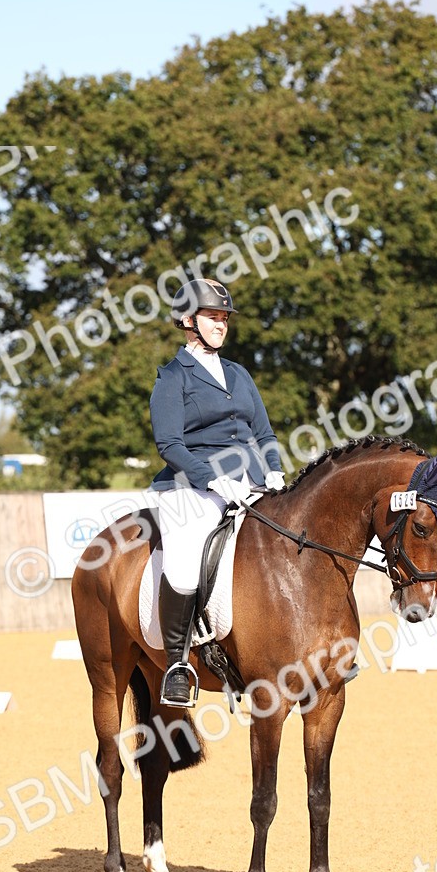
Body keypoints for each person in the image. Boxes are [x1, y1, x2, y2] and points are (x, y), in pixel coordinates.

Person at [149, 278, 285, 707]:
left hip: (250, 481)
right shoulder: (172, 377)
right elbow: (169, 444)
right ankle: (177, 664)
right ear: (189, 321)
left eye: (224, 318)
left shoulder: (239, 374)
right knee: (188, 561)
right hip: (191, 487)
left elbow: (262, 431)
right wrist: (211, 478)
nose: (221, 324)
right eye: (213, 317)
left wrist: (277, 471)